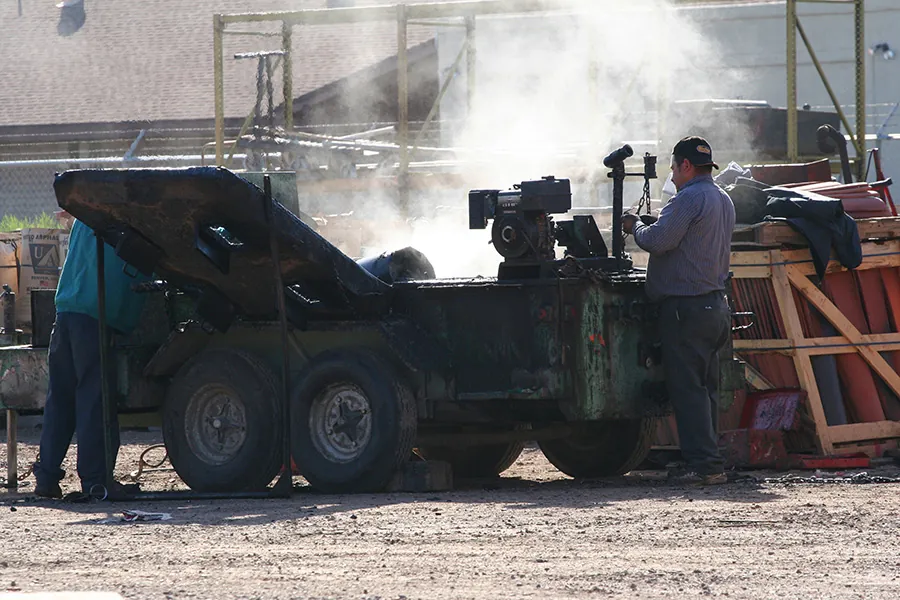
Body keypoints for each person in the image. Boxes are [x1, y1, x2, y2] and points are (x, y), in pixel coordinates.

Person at [622, 136, 736, 486]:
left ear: (686, 166)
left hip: (686, 309)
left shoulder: (687, 198)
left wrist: (634, 226)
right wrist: (657, 221)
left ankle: (701, 465)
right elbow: (683, 235)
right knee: (706, 389)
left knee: (688, 390)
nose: (671, 175)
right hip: (715, 306)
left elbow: (656, 241)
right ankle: (710, 461)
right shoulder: (722, 198)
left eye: (673, 167)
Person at [33, 219, 150, 499]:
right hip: (95, 315)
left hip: (65, 311)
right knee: (94, 399)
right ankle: (96, 481)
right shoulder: (128, 218)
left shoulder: (85, 215)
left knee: (60, 398)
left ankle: (46, 478)